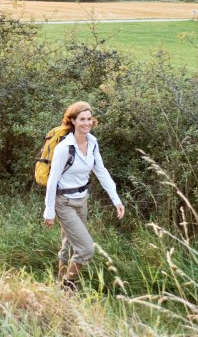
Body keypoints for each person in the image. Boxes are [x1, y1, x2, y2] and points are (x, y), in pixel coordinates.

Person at [43, 101, 125, 290]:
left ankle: (61, 287)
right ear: (72, 121)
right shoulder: (64, 148)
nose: (87, 123)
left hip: (82, 200)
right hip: (63, 202)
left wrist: (116, 199)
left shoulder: (93, 143)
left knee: (69, 245)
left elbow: (101, 171)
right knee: (86, 249)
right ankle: (67, 285)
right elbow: (52, 180)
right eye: (82, 119)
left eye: (89, 119)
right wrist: (49, 211)